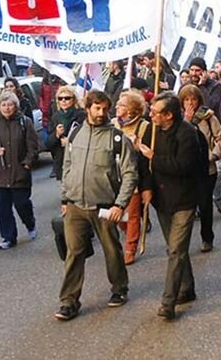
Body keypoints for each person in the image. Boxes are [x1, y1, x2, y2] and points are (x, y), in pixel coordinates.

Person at [55, 90, 138, 321]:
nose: (101, 113)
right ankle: (69, 301)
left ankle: (119, 289)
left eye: (104, 109)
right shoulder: (75, 133)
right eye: (97, 108)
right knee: (74, 254)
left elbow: (130, 174)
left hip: (104, 206)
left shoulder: (117, 138)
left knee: (112, 250)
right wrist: (64, 198)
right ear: (88, 108)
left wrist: (120, 205)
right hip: (75, 206)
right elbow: (67, 166)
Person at [137, 92, 204, 320]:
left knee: (176, 250)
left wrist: (154, 157)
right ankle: (187, 287)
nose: (151, 116)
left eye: (156, 113)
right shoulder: (150, 131)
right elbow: (144, 166)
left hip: (184, 199)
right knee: (175, 249)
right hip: (161, 200)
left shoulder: (187, 134)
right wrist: (146, 188)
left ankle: (168, 302)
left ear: (169, 115)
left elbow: (183, 167)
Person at [0, 92, 39, 249]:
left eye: (10, 105)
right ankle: (8, 237)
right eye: (3, 105)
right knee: (3, 208)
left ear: (16, 106)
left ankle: (30, 223)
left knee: (22, 204)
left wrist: (27, 163)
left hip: (19, 171)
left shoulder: (24, 122)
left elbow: (33, 147)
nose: (7, 108)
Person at [179, 84, 221, 248]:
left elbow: (220, 138)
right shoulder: (178, 119)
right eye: (186, 99)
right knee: (186, 207)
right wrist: (186, 121)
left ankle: (207, 237)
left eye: (193, 99)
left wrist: (213, 155)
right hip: (186, 170)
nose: (190, 103)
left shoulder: (208, 117)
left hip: (206, 169)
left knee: (205, 204)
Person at [112, 91, 150, 265]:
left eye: (121, 105)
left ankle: (130, 248)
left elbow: (145, 155)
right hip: (114, 177)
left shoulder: (143, 126)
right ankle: (129, 233)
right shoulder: (112, 124)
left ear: (132, 110)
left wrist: (135, 146)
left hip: (132, 176)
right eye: (118, 104)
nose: (117, 107)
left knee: (133, 214)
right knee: (119, 216)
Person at [46, 86, 85, 180]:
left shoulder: (82, 115)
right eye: (60, 98)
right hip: (62, 161)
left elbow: (86, 137)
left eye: (67, 98)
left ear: (74, 99)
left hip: (78, 160)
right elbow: (49, 143)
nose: (63, 101)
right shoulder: (56, 117)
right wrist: (57, 134)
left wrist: (70, 141)